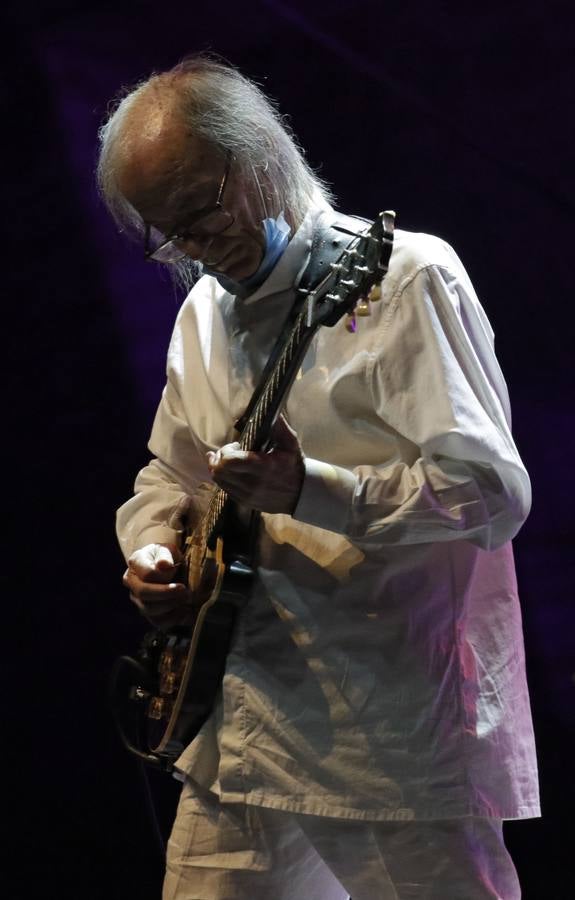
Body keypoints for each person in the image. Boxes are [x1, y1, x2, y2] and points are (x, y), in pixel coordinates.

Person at [98, 56, 540, 900]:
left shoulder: (405, 277)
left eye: (199, 211)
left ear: (258, 158)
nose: (193, 247)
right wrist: (154, 547)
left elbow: (491, 493)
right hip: (241, 714)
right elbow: (172, 471)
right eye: (168, 233)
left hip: (388, 729)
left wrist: (313, 489)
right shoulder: (203, 313)